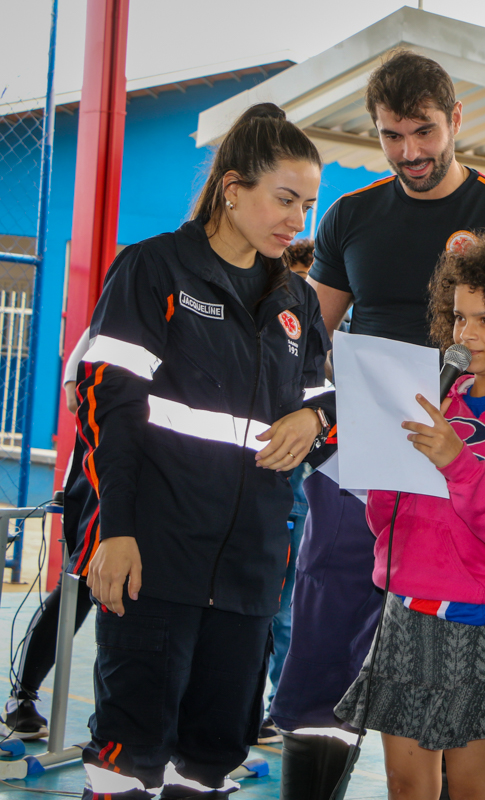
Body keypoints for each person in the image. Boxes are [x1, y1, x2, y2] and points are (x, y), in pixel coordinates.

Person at [270, 48, 485, 798]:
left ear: (455, 119)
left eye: (423, 132)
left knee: (453, 660)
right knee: (325, 641)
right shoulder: (350, 216)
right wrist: (314, 417)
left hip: (466, 458)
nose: (409, 152)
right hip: (361, 458)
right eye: (391, 135)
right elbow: (309, 335)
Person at [72, 103, 335, 799]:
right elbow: (106, 406)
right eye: (285, 200)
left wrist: (314, 422)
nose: (297, 222)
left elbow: (327, 408)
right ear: (231, 189)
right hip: (153, 563)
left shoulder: (298, 303)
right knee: (128, 762)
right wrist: (118, 532)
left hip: (249, 581)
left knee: (210, 766)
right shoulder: (154, 269)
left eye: (307, 205)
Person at [334, 222, 485, 800]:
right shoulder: (437, 397)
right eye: (461, 317)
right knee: (405, 782)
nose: (466, 333)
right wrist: (382, 468)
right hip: (405, 612)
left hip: (479, 622)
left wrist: (456, 462)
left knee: (469, 784)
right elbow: (388, 519)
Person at [4, 332, 95, 740]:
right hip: (101, 475)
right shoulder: (127, 298)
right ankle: (22, 695)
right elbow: (74, 388)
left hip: (178, 483)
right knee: (79, 588)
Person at [258, 237, 319, 745]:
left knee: (282, 606)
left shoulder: (308, 313)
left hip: (294, 485)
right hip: (240, 485)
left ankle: (280, 709)